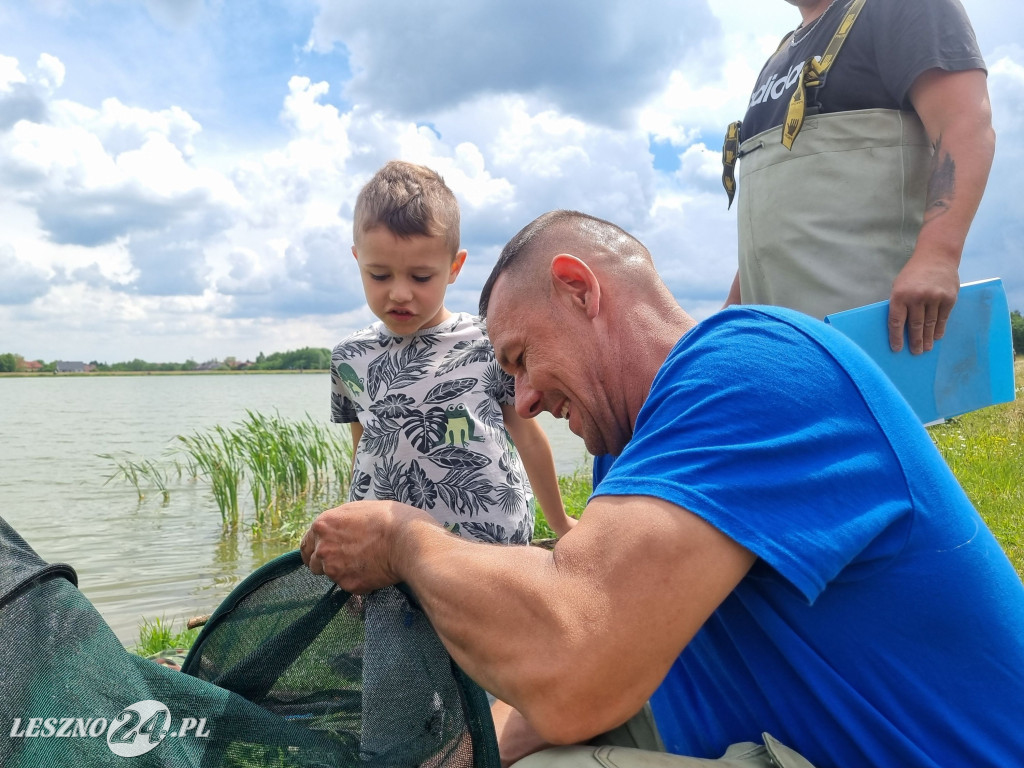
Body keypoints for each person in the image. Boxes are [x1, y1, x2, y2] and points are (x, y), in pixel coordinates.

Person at [304, 210, 1024, 768]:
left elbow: (575, 660)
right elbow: (602, 639)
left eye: (521, 359)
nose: (522, 401)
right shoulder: (624, 453)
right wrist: (465, 755)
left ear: (579, 289)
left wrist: (403, 540)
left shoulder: (748, 368)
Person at [331, 162, 573, 761]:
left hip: (489, 550)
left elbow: (527, 435)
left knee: (491, 679)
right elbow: (364, 448)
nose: (400, 293)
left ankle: (488, 749)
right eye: (379, 274)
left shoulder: (486, 342)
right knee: (396, 688)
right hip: (393, 565)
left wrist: (561, 523)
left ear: (455, 267)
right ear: (357, 259)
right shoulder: (349, 358)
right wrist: (355, 531)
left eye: (421, 275)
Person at [722, 0, 995, 356]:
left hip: (869, 329)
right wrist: (734, 306)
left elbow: (964, 124)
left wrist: (939, 255)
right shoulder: (778, 56)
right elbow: (775, 209)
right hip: (774, 338)